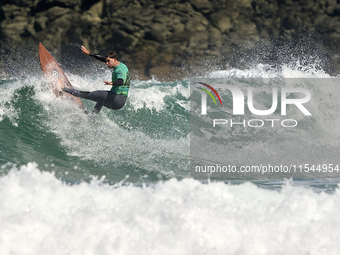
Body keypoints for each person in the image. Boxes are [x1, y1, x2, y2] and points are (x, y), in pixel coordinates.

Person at [62, 46, 131, 113]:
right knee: (100, 100)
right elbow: (103, 59)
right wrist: (89, 53)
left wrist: (111, 83)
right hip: (120, 103)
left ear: (115, 59)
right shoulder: (121, 65)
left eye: (108, 61)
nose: (107, 63)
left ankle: (63, 89)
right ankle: (93, 116)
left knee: (90, 94)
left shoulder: (119, 70)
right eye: (106, 61)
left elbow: (121, 82)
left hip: (116, 98)